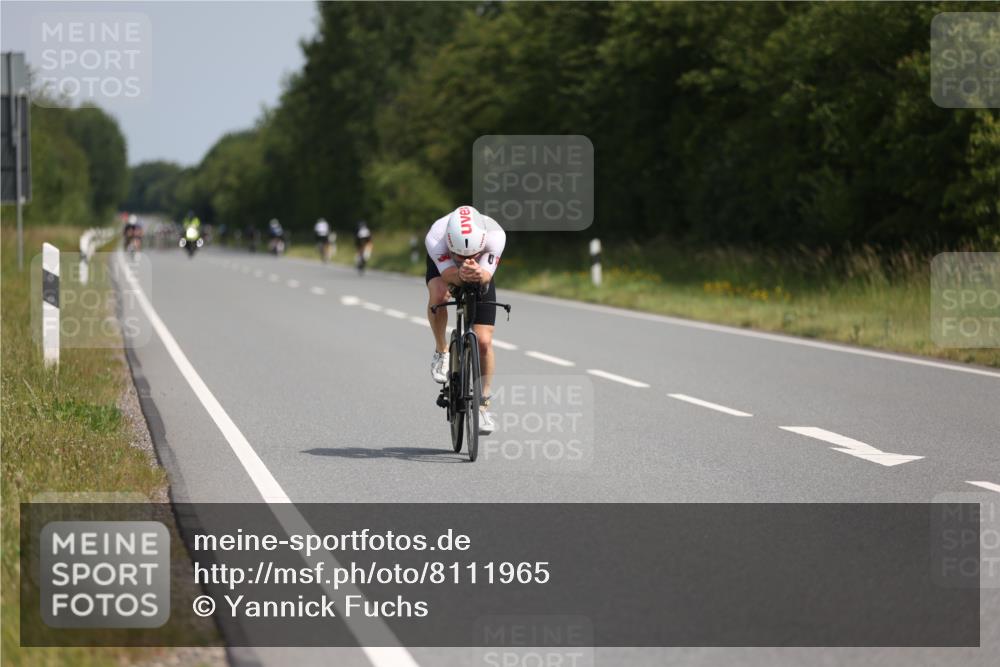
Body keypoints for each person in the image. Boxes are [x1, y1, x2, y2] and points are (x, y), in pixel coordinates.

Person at [425, 205, 506, 434]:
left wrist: (479, 273)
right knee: (440, 295)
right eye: (461, 255)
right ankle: (442, 351)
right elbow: (448, 274)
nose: (466, 259)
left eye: (472, 255)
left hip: (481, 267)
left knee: (483, 341)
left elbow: (486, 275)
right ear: (450, 245)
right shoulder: (436, 236)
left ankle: (482, 405)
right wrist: (458, 273)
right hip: (445, 268)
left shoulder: (495, 235)